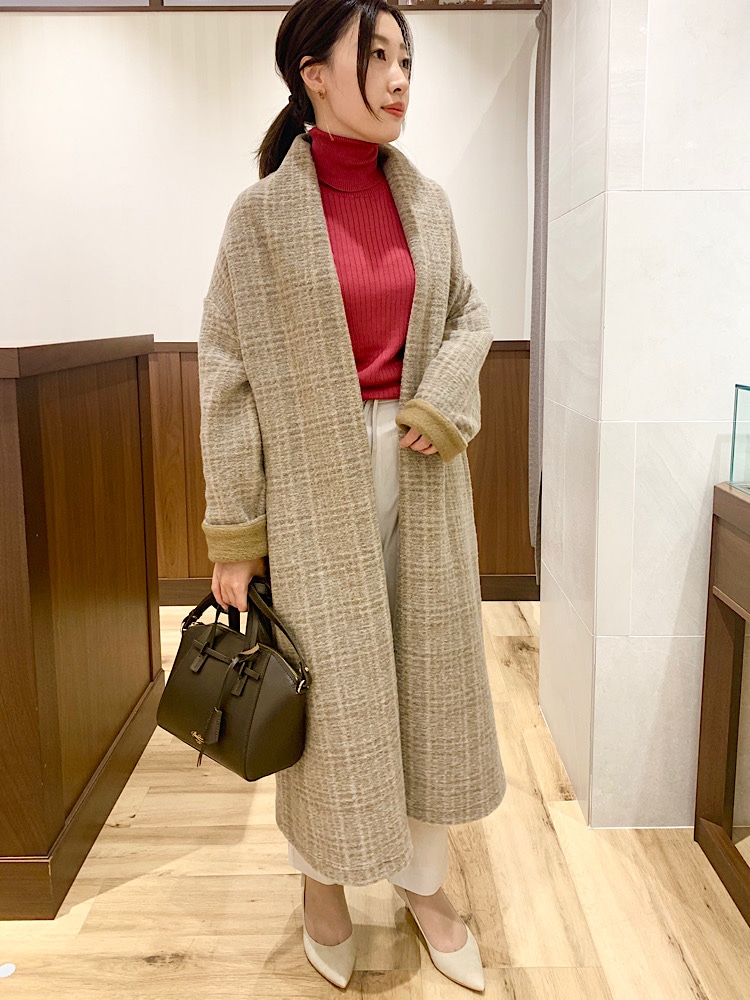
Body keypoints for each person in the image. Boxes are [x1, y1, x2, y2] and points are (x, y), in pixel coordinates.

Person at [198, 0, 506, 992]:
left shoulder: (429, 203)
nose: (400, 77)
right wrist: (235, 536)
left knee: (427, 685)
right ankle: (321, 882)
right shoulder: (259, 220)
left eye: (406, 57)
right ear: (314, 74)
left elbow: (470, 314)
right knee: (326, 696)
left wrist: (444, 399)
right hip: (311, 489)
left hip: (421, 472)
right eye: (376, 56)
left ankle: (425, 885)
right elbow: (227, 374)